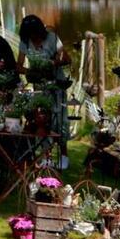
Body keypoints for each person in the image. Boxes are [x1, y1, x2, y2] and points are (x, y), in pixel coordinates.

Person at [17, 14, 72, 169]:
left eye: (34, 33)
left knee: (59, 119)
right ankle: (45, 156)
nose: (33, 37)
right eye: (30, 34)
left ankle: (63, 155)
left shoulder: (52, 39)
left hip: (56, 84)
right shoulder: (25, 42)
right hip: (40, 87)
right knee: (41, 120)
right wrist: (30, 71)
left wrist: (53, 63)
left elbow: (67, 59)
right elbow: (19, 65)